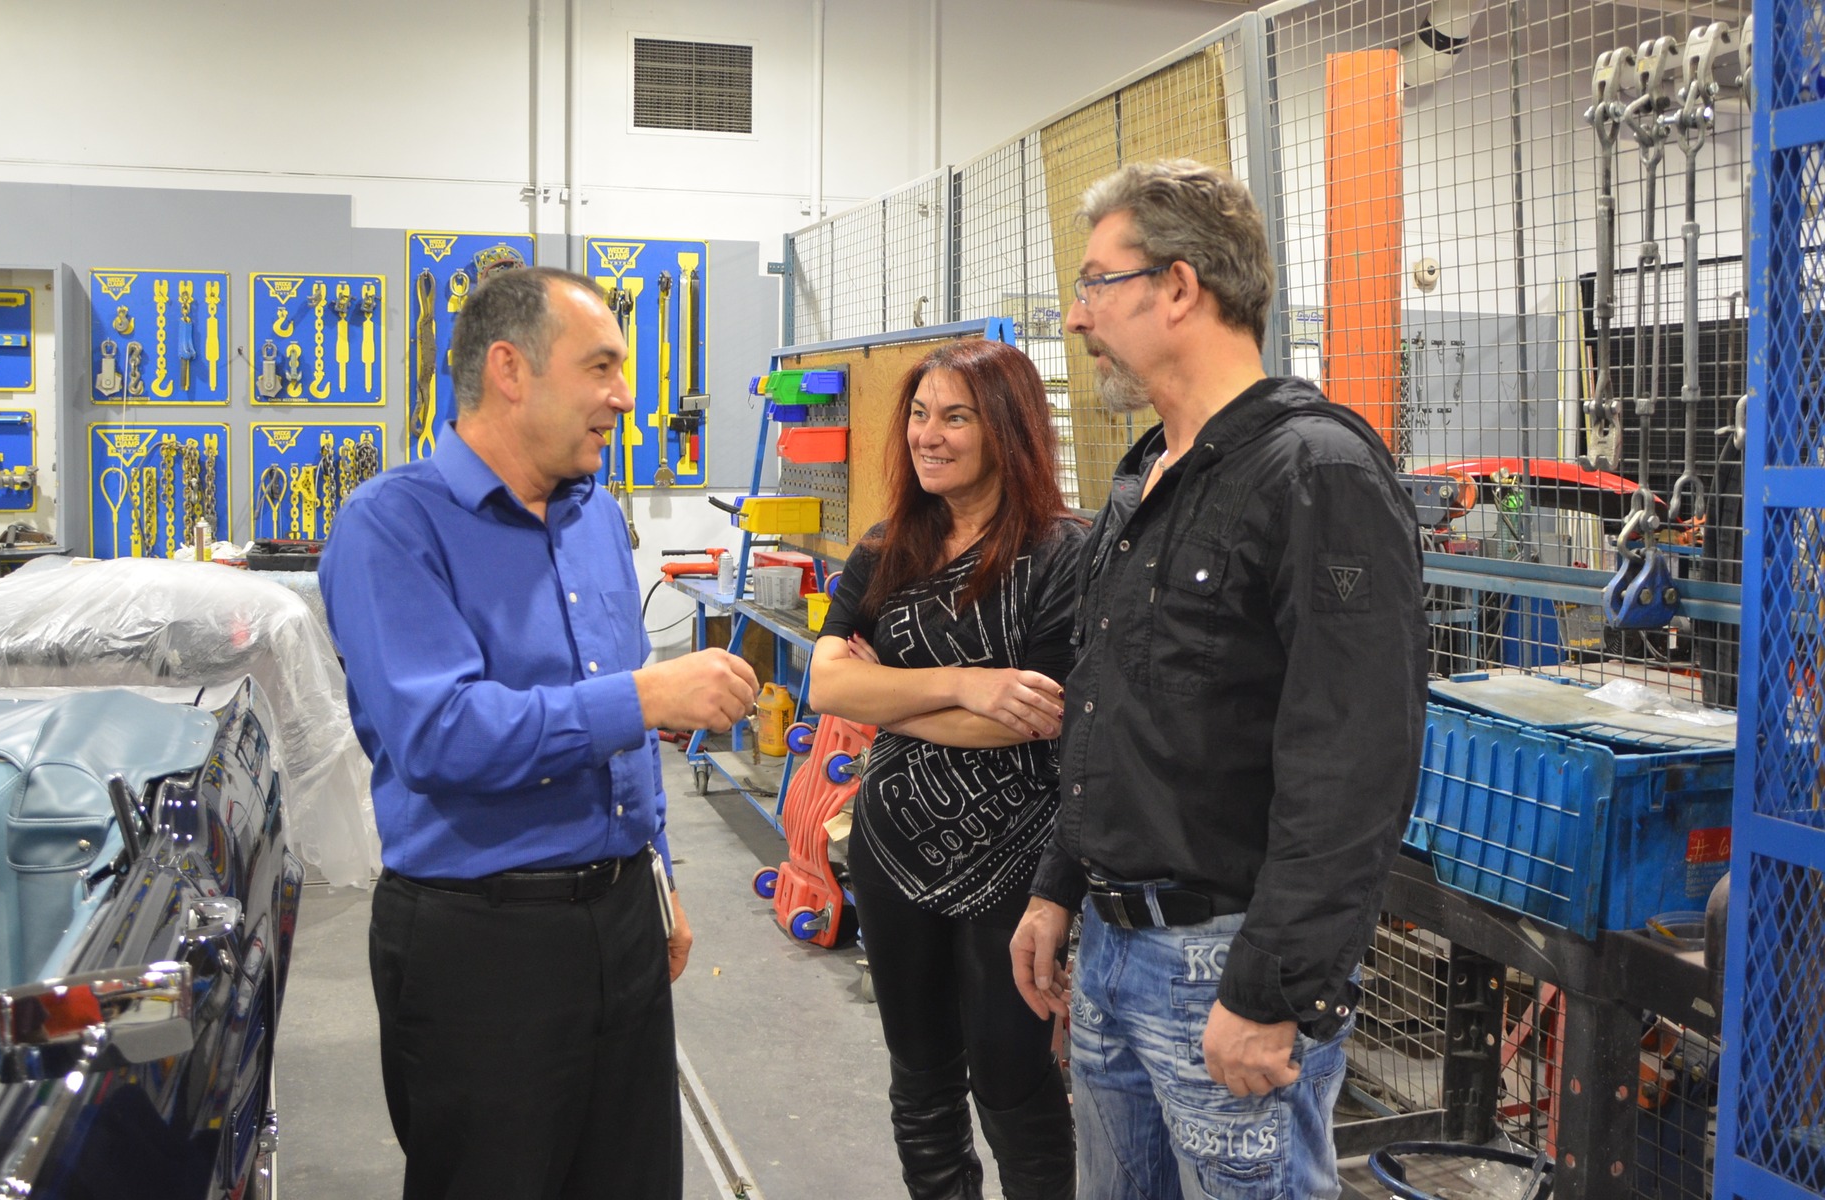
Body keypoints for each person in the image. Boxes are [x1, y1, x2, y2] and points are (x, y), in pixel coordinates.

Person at [1008, 159, 1427, 1199]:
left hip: (1223, 969)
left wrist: (1275, 988)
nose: (1076, 315)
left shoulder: (1315, 471)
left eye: (1098, 283)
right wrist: (1060, 890)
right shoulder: (1150, 472)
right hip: (1110, 951)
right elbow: (1114, 713)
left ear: (1180, 287)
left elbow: (1353, 762)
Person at [319, 266, 759, 1200]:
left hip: (622, 918)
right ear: (510, 370)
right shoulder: (390, 527)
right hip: (482, 946)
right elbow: (440, 733)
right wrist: (644, 697)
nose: (624, 397)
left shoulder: (595, 516)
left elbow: (622, 718)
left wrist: (659, 868)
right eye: (600, 367)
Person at [808, 339, 1086, 1200]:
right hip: (892, 854)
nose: (929, 435)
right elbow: (825, 682)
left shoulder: (1062, 553)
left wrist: (888, 698)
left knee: (1011, 1080)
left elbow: (1037, 719)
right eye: (921, 415)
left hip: (1016, 865)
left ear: (1007, 428)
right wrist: (968, 683)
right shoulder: (888, 545)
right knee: (920, 1081)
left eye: (955, 417)